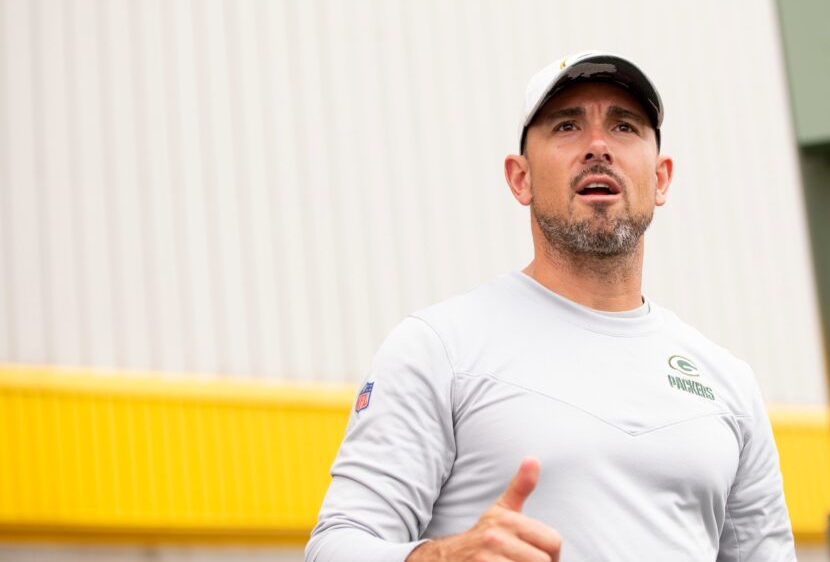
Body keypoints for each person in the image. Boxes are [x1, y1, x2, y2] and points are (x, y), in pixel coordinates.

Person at [304, 51, 796, 561]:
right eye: (567, 126)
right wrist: (443, 558)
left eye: (624, 126)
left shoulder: (729, 384)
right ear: (521, 179)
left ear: (662, 178)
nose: (598, 146)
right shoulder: (440, 347)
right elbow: (336, 547)